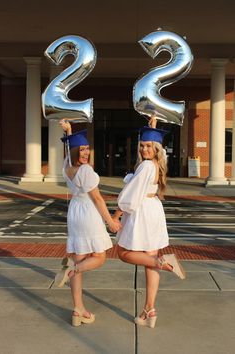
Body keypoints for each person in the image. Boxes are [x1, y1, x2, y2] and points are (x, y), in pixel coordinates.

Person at [112, 117, 185, 329]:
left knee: (124, 253)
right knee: (149, 261)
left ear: (156, 149)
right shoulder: (156, 164)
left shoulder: (145, 166)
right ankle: (149, 310)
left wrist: (115, 217)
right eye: (142, 145)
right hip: (153, 210)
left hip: (141, 211)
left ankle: (164, 262)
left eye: (148, 146)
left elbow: (130, 196)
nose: (144, 149)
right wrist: (151, 128)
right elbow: (138, 188)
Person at [55, 120, 121, 327]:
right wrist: (110, 221)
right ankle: (70, 271)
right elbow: (98, 199)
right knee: (99, 257)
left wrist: (69, 132)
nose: (85, 152)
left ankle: (78, 310)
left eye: (86, 149)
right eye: (81, 149)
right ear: (75, 151)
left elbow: (67, 152)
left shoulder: (67, 167)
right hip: (88, 213)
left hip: (74, 211)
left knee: (78, 260)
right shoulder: (86, 171)